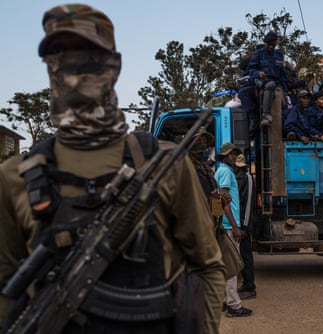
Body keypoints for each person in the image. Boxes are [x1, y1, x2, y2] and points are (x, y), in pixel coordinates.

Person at [0, 4, 225, 334]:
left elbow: (208, 266)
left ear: (113, 66)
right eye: (59, 55)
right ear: (49, 67)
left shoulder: (164, 162)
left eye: (88, 55)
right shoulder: (13, 176)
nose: (74, 67)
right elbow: (5, 284)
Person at [214, 143, 253, 318]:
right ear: (224, 156)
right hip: (229, 226)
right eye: (230, 154)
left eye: (235, 153)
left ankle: (223, 301)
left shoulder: (223, 171)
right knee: (232, 266)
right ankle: (234, 306)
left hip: (226, 225)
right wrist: (235, 226)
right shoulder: (226, 173)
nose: (233, 156)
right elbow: (223, 201)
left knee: (225, 266)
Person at [238, 31, 288, 133]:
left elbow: (283, 74)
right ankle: (261, 116)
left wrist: (285, 90)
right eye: (268, 44)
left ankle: (284, 129)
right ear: (265, 43)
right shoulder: (258, 54)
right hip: (262, 81)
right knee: (245, 92)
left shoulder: (279, 55)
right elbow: (250, 70)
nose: (270, 46)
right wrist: (258, 73)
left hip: (277, 83)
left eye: (272, 44)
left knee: (283, 104)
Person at [234, 154, 257, 300]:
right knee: (241, 256)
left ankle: (250, 287)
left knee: (246, 256)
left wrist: (244, 226)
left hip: (244, 224)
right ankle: (246, 284)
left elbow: (248, 204)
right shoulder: (237, 177)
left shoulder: (247, 178)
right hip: (239, 222)